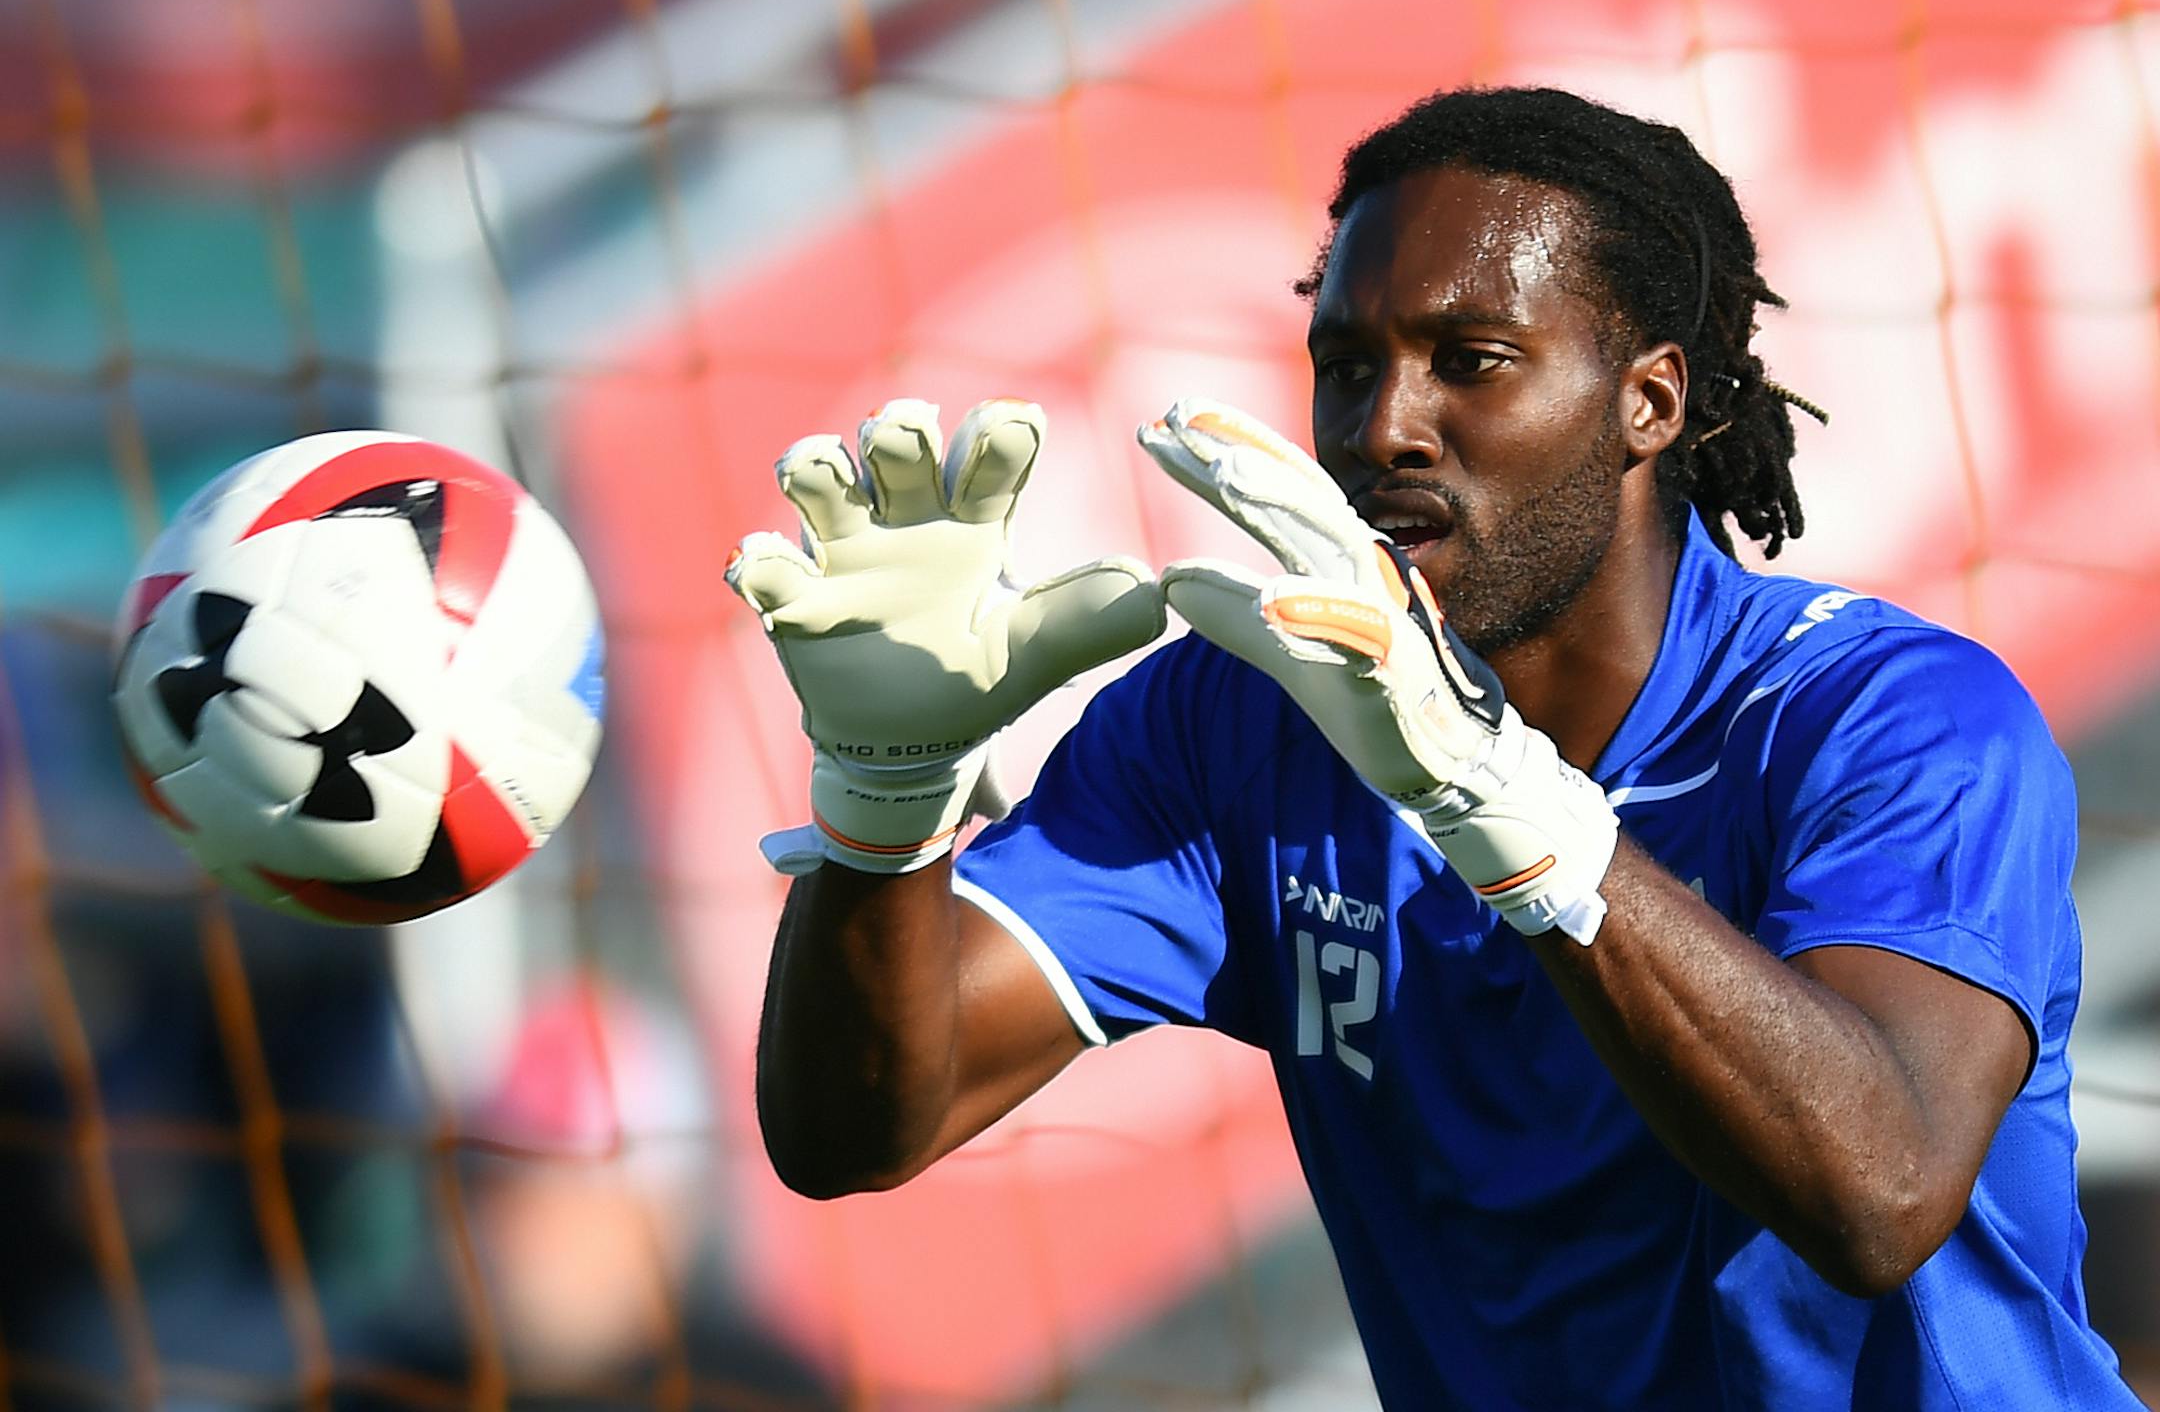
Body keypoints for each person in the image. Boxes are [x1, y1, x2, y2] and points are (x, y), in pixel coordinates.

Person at [726, 86, 2140, 1409]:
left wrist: (1493, 793)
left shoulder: (1890, 721)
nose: (1384, 426)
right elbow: (850, 1132)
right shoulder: (1235, 723)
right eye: (1346, 367)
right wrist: (881, 813)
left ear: (1648, 400)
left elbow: (1880, 1192)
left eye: (1470, 361)